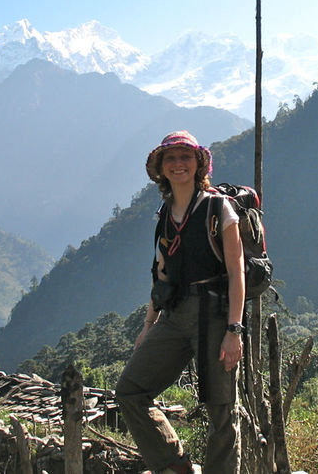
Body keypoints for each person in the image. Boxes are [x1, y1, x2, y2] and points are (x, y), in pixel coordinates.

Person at [116, 130, 245, 474]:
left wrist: (235, 329)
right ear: (160, 168)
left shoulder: (220, 209)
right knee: (130, 391)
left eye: (185, 157)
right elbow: (161, 274)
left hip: (215, 315)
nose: (178, 164)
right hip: (174, 315)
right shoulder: (164, 215)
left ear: (199, 163)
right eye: (170, 158)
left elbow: (237, 273)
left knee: (222, 409)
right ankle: (175, 465)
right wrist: (148, 325)